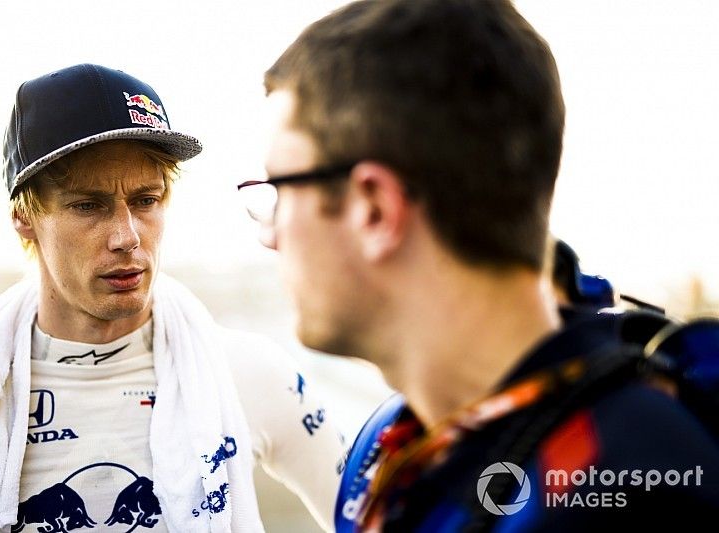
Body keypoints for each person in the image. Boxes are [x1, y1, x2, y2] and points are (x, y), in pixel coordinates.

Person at [237, 0, 719, 530]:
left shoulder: (632, 480)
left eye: (281, 188)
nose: (269, 233)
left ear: (373, 209)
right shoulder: (392, 445)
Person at [0, 64, 345, 533]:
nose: (127, 237)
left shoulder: (249, 372)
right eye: (88, 205)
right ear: (24, 216)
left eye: (146, 200)